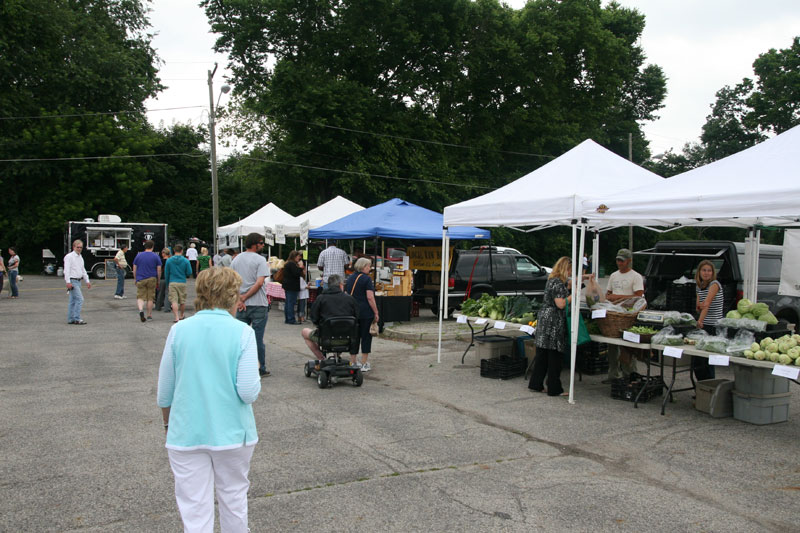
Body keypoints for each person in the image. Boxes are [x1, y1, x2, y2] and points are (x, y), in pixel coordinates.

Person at [157, 266, 260, 532]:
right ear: (232, 295)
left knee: (194, 508)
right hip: (233, 432)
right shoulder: (243, 333)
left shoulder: (179, 330)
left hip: (187, 432)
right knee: (234, 498)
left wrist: (169, 426)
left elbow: (165, 391)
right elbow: (248, 391)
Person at [528, 257, 572, 396]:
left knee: (542, 354)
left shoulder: (551, 280)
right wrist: (574, 295)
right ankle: (554, 388)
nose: (571, 273)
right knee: (555, 355)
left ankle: (536, 384)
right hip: (554, 321)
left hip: (544, 318)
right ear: (565, 269)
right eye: (570, 270)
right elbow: (560, 304)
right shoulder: (558, 283)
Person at [602, 248, 645, 384]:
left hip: (628, 316)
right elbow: (608, 294)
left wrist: (619, 297)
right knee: (612, 348)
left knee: (627, 347)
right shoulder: (614, 276)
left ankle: (629, 374)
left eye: (622, 260)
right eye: (618, 260)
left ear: (629, 261)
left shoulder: (635, 276)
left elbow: (639, 296)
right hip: (614, 316)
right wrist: (610, 298)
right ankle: (613, 374)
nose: (619, 263)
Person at [231, 233, 270, 378]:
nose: (263, 246)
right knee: (257, 338)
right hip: (258, 304)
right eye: (261, 243)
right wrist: (246, 296)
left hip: (241, 305)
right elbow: (260, 283)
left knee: (240, 337)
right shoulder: (260, 260)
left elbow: (232, 282)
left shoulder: (236, 259)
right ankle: (260, 367)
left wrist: (240, 300)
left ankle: (239, 365)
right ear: (255, 244)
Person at [302, 274, 359, 364]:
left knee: (305, 332)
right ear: (340, 285)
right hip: (347, 337)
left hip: (326, 337)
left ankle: (322, 359)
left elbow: (314, 317)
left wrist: (319, 324)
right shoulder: (350, 299)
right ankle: (338, 356)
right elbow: (357, 317)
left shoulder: (321, 298)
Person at [344, 257, 380, 371]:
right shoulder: (366, 279)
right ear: (364, 267)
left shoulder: (350, 278)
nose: (370, 268)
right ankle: (364, 363)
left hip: (352, 312)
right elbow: (370, 297)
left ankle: (353, 361)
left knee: (354, 337)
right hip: (365, 311)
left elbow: (345, 294)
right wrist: (376, 311)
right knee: (366, 337)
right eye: (369, 266)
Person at [694, 260, 721, 381]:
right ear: (699, 272)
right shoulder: (699, 286)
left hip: (713, 326)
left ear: (713, 273)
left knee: (707, 360)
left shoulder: (714, 284)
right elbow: (698, 306)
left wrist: (699, 321)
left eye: (709, 271)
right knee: (698, 361)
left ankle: (710, 388)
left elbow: (707, 304)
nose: (706, 273)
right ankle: (700, 388)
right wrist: (700, 307)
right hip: (704, 324)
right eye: (704, 270)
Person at [63, 240, 92, 324]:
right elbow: (66, 270)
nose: (79, 249)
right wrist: (68, 282)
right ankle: (76, 318)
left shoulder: (80, 257)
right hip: (72, 280)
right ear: (73, 247)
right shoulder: (69, 257)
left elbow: (83, 270)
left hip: (78, 281)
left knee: (73, 301)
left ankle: (71, 318)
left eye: (80, 247)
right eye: (77, 247)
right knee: (80, 299)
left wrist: (87, 280)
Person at [133, 240, 162, 323]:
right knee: (150, 298)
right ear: (152, 247)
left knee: (140, 296)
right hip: (152, 278)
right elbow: (159, 269)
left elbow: (134, 268)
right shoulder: (155, 256)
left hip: (140, 278)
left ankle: (141, 310)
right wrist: (158, 280)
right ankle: (149, 315)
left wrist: (135, 278)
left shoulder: (138, 256)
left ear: (145, 246)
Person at [165, 245, 194, 323]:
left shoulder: (169, 260)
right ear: (182, 251)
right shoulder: (185, 261)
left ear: (174, 251)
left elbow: (166, 273)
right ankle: (181, 314)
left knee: (174, 301)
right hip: (182, 282)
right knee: (182, 301)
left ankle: (176, 317)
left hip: (172, 281)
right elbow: (189, 272)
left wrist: (167, 283)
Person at [281, 250, 305, 325]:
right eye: (298, 256)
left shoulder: (287, 263)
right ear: (294, 256)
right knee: (291, 303)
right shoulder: (292, 264)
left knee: (288, 302)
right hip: (292, 286)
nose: (299, 258)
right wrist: (301, 268)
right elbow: (296, 273)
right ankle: (291, 319)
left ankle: (288, 319)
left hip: (287, 285)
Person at [155, 248, 172, 312]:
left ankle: (158, 306)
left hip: (162, 278)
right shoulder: (170, 261)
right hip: (169, 278)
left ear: (164, 253)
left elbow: (158, 270)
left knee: (160, 293)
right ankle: (167, 307)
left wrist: (157, 279)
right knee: (168, 293)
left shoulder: (161, 261)